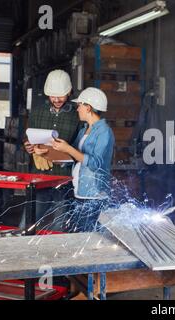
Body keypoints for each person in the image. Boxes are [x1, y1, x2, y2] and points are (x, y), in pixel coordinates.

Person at [22, 69, 81, 230]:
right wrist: (29, 146)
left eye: (60, 95)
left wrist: (59, 153)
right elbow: (29, 137)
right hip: (40, 176)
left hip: (64, 178)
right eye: (52, 96)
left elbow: (81, 148)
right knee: (27, 224)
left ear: (69, 92)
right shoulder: (37, 112)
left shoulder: (77, 116)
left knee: (59, 226)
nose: (56, 99)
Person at [51, 87, 115, 232]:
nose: (77, 108)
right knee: (78, 234)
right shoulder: (83, 129)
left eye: (80, 105)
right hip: (79, 191)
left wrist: (68, 149)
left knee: (88, 237)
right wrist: (55, 155)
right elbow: (73, 156)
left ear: (89, 107)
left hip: (94, 195)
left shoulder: (104, 132)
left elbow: (96, 164)